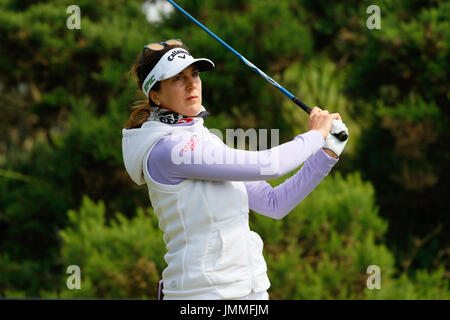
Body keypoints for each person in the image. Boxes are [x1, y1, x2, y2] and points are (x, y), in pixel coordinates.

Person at [121, 39, 348, 300]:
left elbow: (274, 203)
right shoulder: (169, 150)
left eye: (194, 74)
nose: (191, 84)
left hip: (248, 292)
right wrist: (317, 134)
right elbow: (270, 165)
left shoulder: (206, 140)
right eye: (177, 78)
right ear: (155, 94)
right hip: (201, 296)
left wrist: (326, 153)